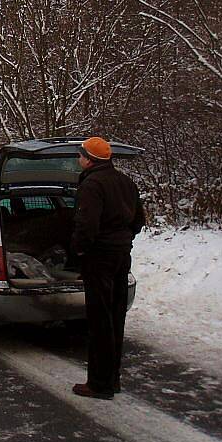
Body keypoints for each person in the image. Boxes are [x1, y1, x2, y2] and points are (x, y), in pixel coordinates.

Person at [71, 136, 145, 400]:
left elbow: (87, 225)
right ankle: (113, 379)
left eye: (80, 154)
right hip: (121, 255)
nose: (78, 158)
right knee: (115, 318)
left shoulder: (92, 185)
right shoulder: (126, 182)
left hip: (99, 258)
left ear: (89, 159)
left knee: (99, 321)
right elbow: (138, 220)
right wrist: (122, 240)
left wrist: (80, 249)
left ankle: (99, 385)